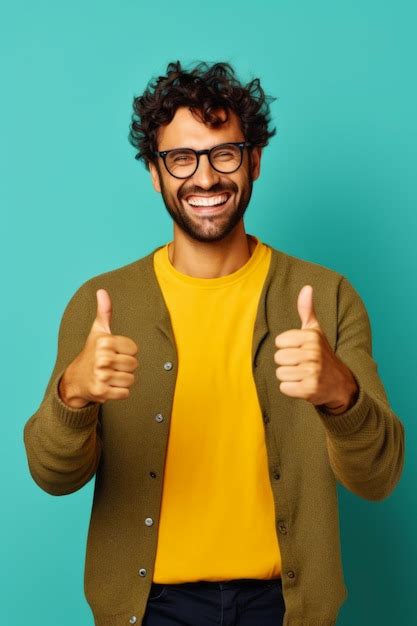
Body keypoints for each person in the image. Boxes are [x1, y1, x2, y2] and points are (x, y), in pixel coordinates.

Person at [23, 60, 405, 626]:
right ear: (155, 173)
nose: (204, 178)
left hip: (284, 608)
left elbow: (379, 478)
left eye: (223, 154)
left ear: (253, 161)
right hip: (149, 609)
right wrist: (72, 396)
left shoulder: (326, 296)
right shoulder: (101, 303)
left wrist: (340, 394)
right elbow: (53, 477)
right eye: (181, 158)